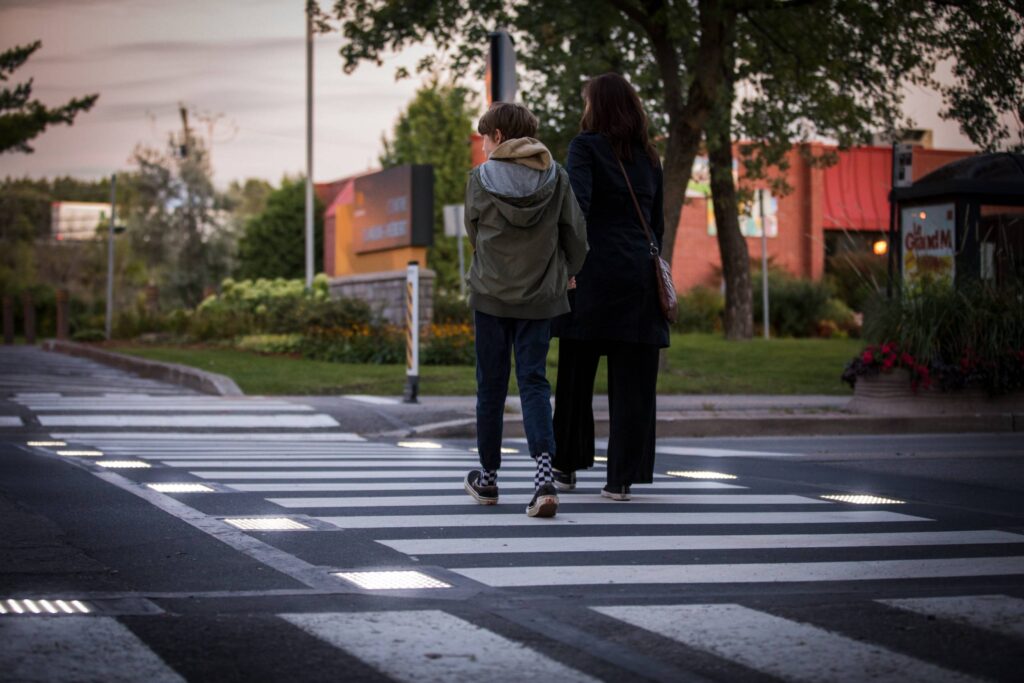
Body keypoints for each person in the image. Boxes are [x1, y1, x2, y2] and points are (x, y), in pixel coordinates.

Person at [462, 101, 589, 518]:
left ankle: (488, 478)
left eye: (485, 138)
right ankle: (544, 478)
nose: (483, 146)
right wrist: (567, 271)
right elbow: (575, 235)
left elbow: (474, 232)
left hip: (490, 295)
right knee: (534, 382)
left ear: (498, 136)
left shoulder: (479, 179)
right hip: (540, 298)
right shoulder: (557, 177)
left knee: (491, 385)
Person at [550, 73, 670, 501]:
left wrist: (565, 262)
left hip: (592, 275)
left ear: (596, 107)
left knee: (575, 376)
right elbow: (656, 225)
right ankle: (621, 479)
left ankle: (566, 466)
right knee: (634, 383)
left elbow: (577, 209)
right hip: (638, 277)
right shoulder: (651, 158)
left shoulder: (585, 147)